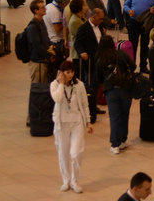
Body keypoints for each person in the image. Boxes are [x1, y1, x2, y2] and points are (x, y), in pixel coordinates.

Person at [50, 61, 92, 193]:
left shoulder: (79, 85)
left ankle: (75, 181)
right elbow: (57, 98)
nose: (70, 75)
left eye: (72, 72)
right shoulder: (54, 85)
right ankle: (66, 180)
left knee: (76, 152)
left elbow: (85, 104)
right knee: (63, 153)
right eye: (67, 72)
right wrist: (62, 84)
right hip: (61, 124)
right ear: (61, 73)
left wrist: (88, 122)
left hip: (76, 123)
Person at [96, 34, 134, 155]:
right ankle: (123, 139)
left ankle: (115, 144)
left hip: (111, 90)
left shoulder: (100, 59)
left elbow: (99, 79)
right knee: (124, 114)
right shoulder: (121, 54)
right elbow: (133, 66)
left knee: (115, 117)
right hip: (126, 88)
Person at [123, 0, 154, 73]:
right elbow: (125, 5)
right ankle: (132, 65)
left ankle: (143, 66)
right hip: (133, 23)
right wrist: (129, 11)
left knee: (145, 45)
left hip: (146, 23)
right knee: (133, 45)